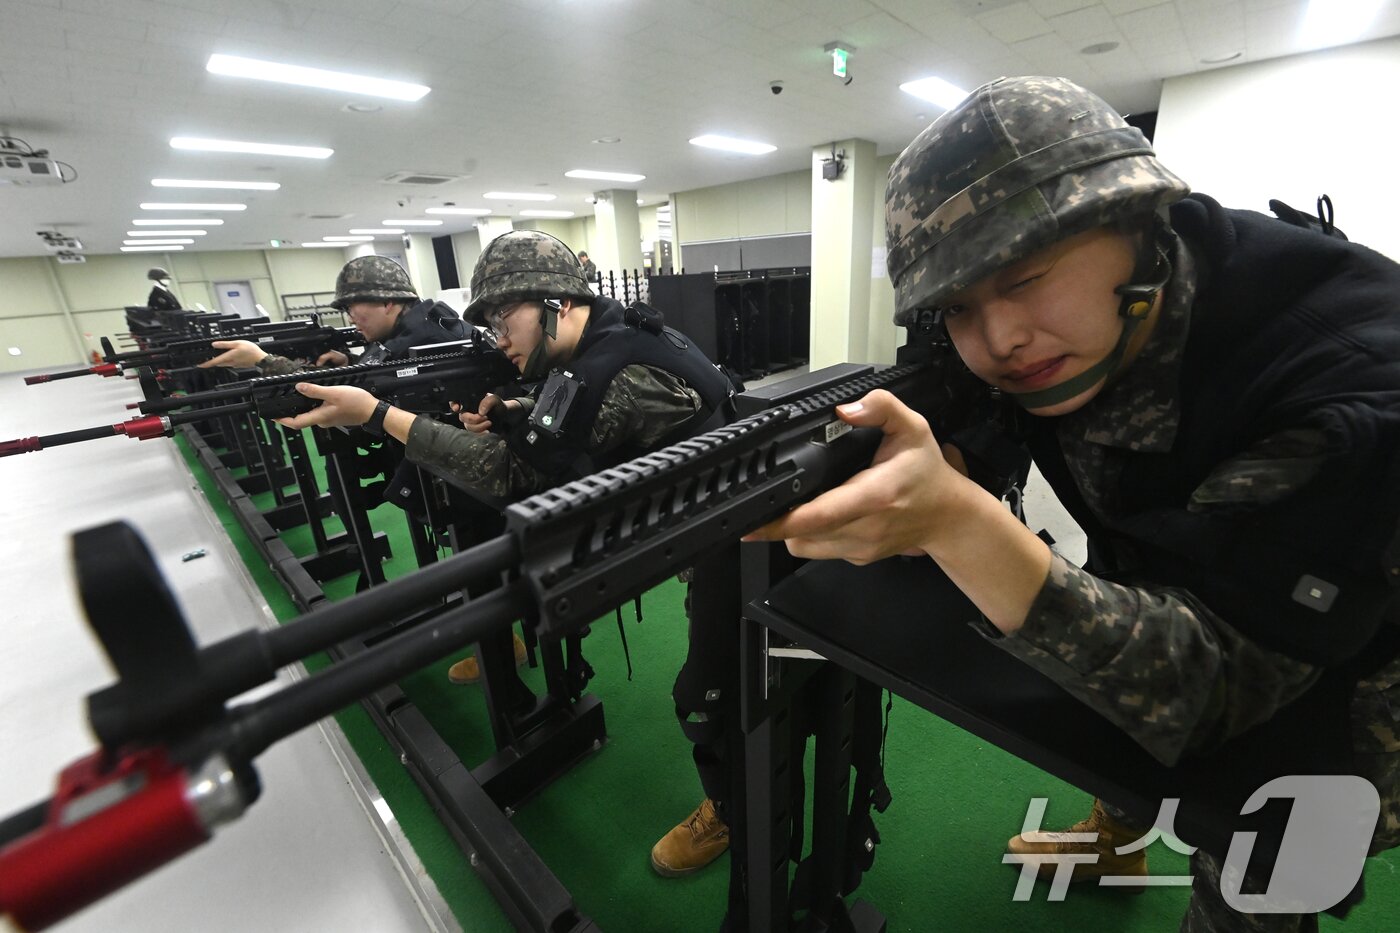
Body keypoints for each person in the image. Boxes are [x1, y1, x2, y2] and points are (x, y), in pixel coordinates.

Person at [742, 75, 1400, 931]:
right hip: (1165, 558)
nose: (999, 340)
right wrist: (957, 449)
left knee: (1257, 864)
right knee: (1111, 718)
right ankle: (1118, 834)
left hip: (1353, 677)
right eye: (958, 307)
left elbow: (1213, 690)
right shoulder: (1082, 324)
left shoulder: (1350, 396)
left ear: (1138, 225)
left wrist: (957, 521)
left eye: (1023, 275)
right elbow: (989, 404)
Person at [271, 230, 737, 684]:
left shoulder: (619, 373)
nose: (499, 340)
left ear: (560, 305)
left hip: (736, 541)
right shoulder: (614, 338)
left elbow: (510, 471)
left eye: (504, 320)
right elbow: (576, 407)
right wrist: (516, 408)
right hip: (719, 516)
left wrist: (378, 415)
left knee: (711, 703)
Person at [197, 255, 465, 372]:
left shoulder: (420, 338)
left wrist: (263, 360)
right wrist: (349, 363)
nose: (349, 318)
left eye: (351, 308)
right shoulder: (423, 321)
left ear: (387, 302)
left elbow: (346, 395)